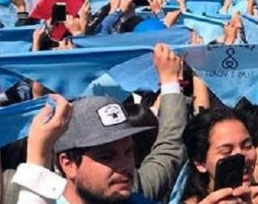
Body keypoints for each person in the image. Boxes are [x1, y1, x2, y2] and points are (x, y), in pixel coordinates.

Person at [13, 44, 188, 203]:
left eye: (128, 152)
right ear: (68, 164)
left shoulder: (134, 194)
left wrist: (170, 82)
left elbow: (170, 147)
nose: (125, 166)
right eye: (106, 157)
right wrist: (38, 154)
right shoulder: (37, 198)